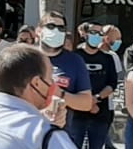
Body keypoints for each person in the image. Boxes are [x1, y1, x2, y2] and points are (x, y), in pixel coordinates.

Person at [38, 14, 97, 142]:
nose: (56, 31)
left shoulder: (75, 61)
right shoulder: (26, 57)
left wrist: (61, 94)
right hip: (25, 135)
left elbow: (87, 103)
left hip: (58, 136)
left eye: (61, 28)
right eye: (51, 26)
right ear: (39, 30)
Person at [76, 25, 122, 149]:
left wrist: (95, 99)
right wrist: (85, 102)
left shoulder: (108, 59)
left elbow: (112, 84)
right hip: (77, 113)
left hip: (101, 113)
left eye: (99, 33)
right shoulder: (75, 56)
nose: (96, 36)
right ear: (85, 35)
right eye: (93, 33)